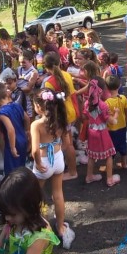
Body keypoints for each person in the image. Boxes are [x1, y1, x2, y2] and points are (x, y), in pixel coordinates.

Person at [30, 88, 75, 249]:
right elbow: (67, 144)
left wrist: (37, 163)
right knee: (58, 194)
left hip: (43, 161)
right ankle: (61, 227)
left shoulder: (37, 124)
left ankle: (36, 225)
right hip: (57, 159)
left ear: (38, 106)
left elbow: (35, 150)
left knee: (35, 195)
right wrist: (57, 152)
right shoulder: (61, 120)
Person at [43, 52, 79, 181]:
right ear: (59, 62)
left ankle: (73, 172)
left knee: (67, 144)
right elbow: (72, 94)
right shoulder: (67, 74)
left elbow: (51, 105)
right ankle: (68, 166)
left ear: (45, 66)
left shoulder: (49, 83)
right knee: (67, 142)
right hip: (71, 111)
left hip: (62, 115)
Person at [80, 79, 120, 187]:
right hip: (102, 133)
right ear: (101, 91)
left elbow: (84, 116)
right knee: (109, 155)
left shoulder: (87, 103)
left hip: (91, 132)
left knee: (91, 156)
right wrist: (116, 113)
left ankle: (89, 176)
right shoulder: (103, 105)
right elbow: (112, 121)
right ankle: (110, 179)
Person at [0, 82, 30, 176]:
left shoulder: (2, 112)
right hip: (23, 139)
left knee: (11, 170)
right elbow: (27, 118)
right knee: (21, 165)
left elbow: (10, 129)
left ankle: (13, 183)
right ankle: (22, 180)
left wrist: (12, 147)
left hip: (13, 142)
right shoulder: (17, 105)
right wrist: (27, 131)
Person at [105, 75, 127, 170]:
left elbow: (106, 117)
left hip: (111, 129)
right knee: (123, 145)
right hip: (122, 126)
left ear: (106, 88)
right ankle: (124, 164)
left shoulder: (107, 102)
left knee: (111, 148)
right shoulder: (123, 98)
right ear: (119, 86)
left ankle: (109, 167)